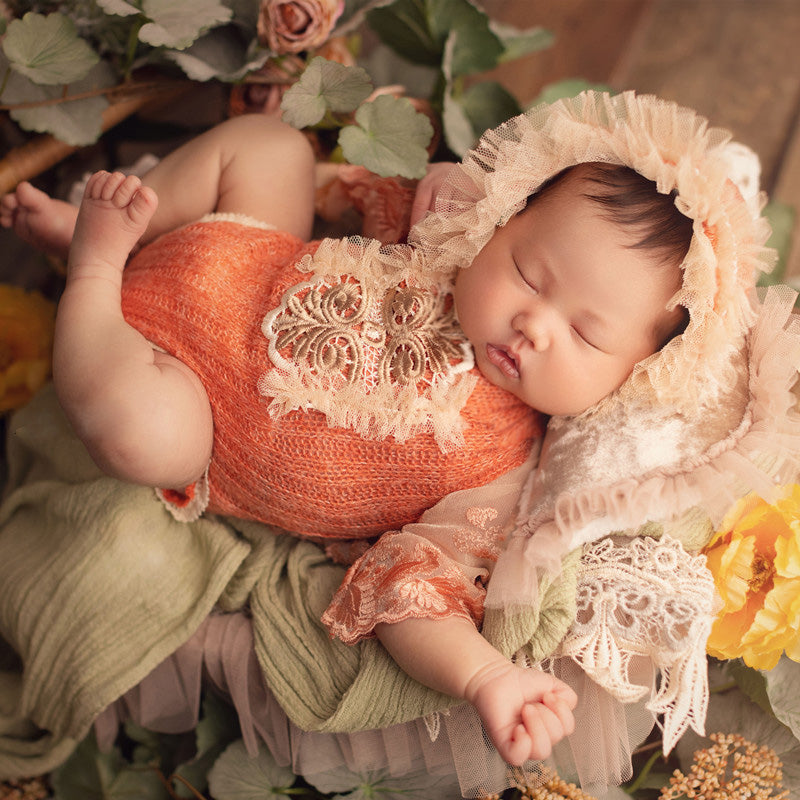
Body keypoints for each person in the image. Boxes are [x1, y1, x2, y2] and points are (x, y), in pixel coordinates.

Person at [3, 91, 788, 794]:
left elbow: (414, 590)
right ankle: (109, 226)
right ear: (502, 222)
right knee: (269, 146)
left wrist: (486, 678)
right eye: (528, 272)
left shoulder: (499, 472)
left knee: (132, 433)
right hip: (242, 248)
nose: (534, 325)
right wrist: (439, 183)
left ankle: (96, 268)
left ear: (632, 377)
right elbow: (358, 186)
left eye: (585, 335)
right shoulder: (446, 242)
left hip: (195, 409)